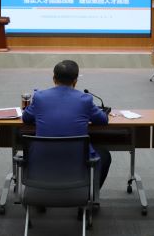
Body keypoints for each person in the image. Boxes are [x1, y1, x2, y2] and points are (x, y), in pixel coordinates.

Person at [22, 60, 111, 191]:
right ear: (75, 81)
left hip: (42, 156)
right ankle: (91, 194)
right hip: (76, 158)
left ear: (54, 79)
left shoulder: (40, 97)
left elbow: (26, 118)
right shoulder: (85, 99)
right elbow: (103, 120)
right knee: (105, 155)